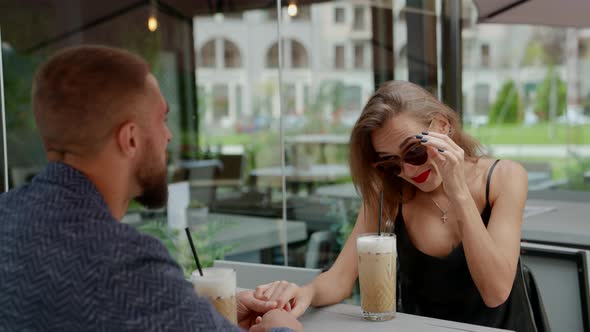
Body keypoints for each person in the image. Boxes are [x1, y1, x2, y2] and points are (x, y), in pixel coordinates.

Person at [0, 45, 301, 332]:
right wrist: (282, 327)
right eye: (162, 119)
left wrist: (206, 313)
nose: (169, 135)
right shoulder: (124, 265)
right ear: (130, 138)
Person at [253, 81, 538, 331]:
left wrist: (459, 194)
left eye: (413, 152)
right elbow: (340, 278)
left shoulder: (504, 177)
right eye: (391, 164)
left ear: (442, 126)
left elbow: (495, 292)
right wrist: (306, 292)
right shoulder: (389, 194)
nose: (409, 172)